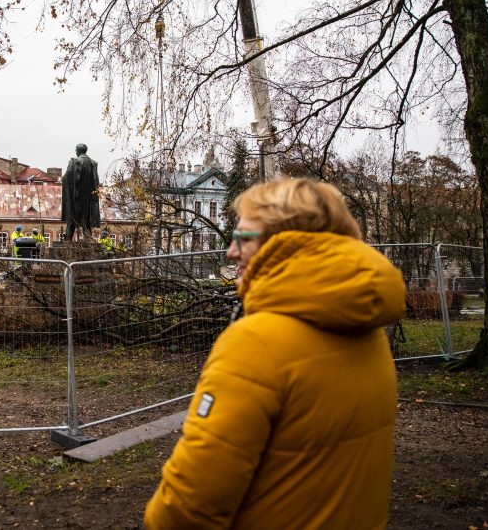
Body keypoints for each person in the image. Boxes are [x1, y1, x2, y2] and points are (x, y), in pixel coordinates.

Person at [145, 177, 406, 530]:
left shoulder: (257, 343)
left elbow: (193, 500)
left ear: (285, 245)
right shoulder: (367, 330)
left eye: (244, 238)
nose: (230, 251)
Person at [61, 143, 101, 241]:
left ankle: (68, 239)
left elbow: (67, 177)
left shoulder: (74, 161)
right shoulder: (93, 163)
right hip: (89, 200)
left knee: (72, 219)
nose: (75, 152)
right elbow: (96, 181)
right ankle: (88, 240)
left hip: (76, 198)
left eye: (76, 150)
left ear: (78, 151)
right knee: (87, 220)